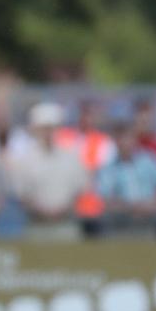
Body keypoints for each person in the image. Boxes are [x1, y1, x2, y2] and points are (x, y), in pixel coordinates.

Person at [10, 103, 87, 241]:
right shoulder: (24, 160)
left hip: (66, 226)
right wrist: (41, 211)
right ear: (35, 130)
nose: (48, 133)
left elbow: (80, 191)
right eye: (43, 128)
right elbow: (21, 194)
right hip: (36, 227)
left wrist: (62, 210)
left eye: (51, 128)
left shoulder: (72, 157)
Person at [96, 122, 156, 236]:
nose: (124, 143)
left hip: (149, 224)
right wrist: (130, 208)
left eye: (127, 138)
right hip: (119, 227)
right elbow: (104, 200)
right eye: (120, 139)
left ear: (134, 139)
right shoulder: (108, 169)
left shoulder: (149, 160)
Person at [56, 98, 116, 237]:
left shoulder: (104, 141)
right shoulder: (64, 136)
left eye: (90, 115)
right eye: (84, 114)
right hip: (68, 204)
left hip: (95, 204)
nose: (87, 119)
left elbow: (103, 171)